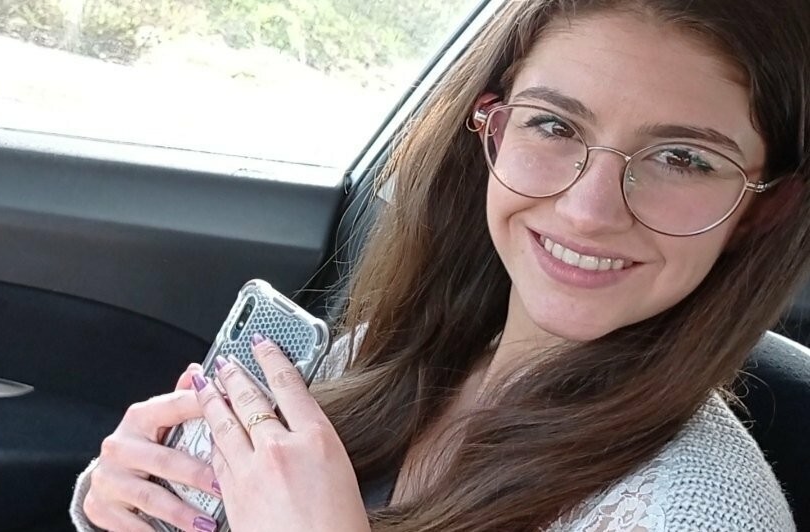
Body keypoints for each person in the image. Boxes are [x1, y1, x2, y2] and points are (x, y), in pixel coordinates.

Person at [70, 0, 810, 530]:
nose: (589, 210)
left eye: (682, 159)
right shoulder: (378, 354)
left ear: (761, 209)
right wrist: (123, 501)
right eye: (553, 125)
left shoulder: (706, 513)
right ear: (490, 132)